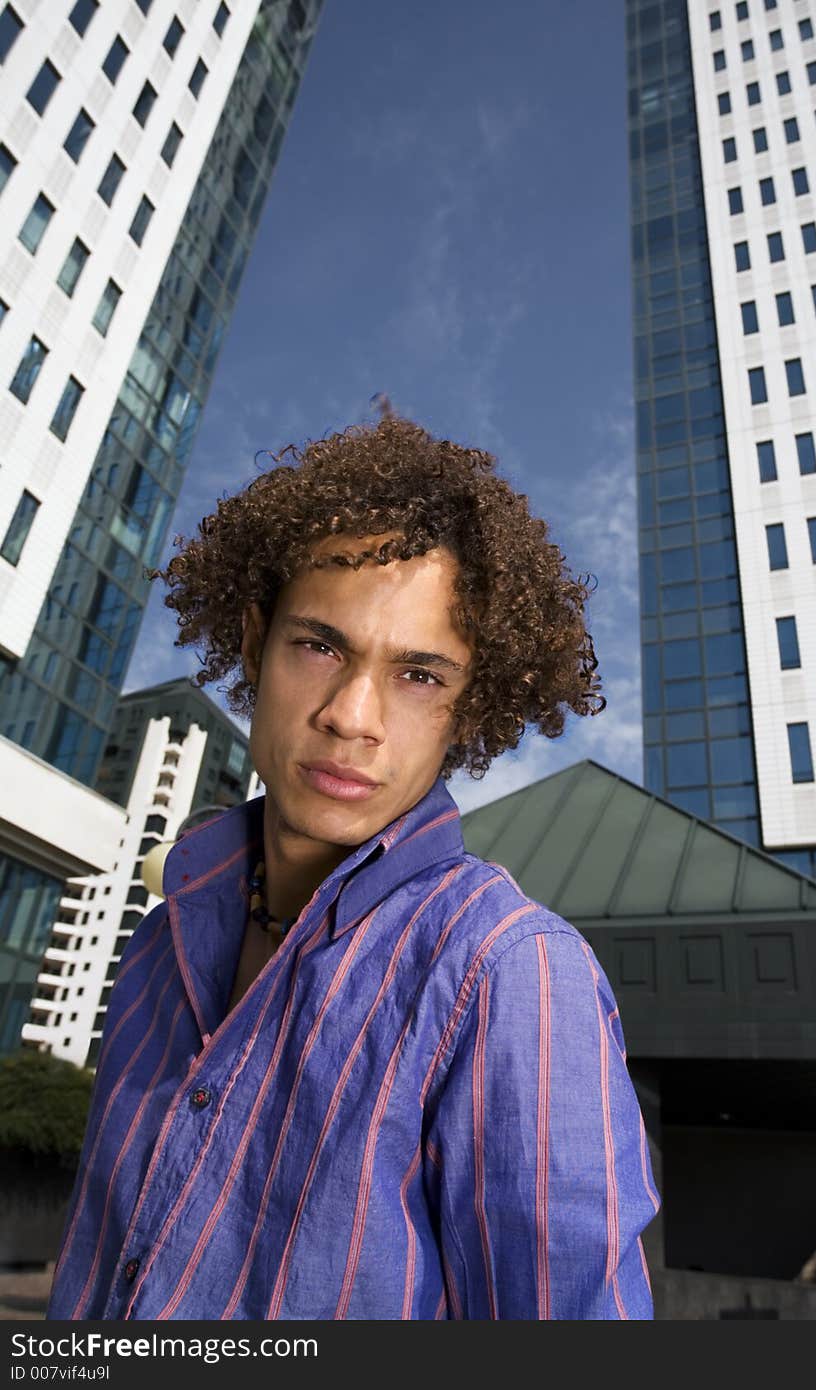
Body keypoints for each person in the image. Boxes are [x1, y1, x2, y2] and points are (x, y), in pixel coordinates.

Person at [47, 409, 659, 1321]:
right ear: (255, 644)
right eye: (319, 646)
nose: (351, 715)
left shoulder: (509, 971)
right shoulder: (157, 946)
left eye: (420, 676)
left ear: (468, 707)